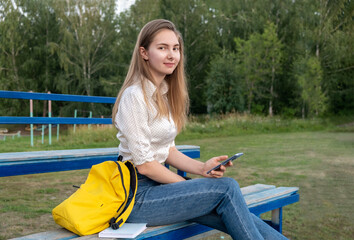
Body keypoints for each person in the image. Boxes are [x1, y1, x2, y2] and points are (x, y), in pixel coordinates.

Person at [112, 19, 287, 240]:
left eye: (175, 48)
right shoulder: (134, 96)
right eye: (162, 48)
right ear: (144, 52)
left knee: (235, 211)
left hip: (161, 189)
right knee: (227, 188)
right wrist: (190, 186)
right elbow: (145, 166)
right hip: (137, 197)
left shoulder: (164, 94)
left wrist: (203, 168)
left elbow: (168, 151)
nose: (171, 55)